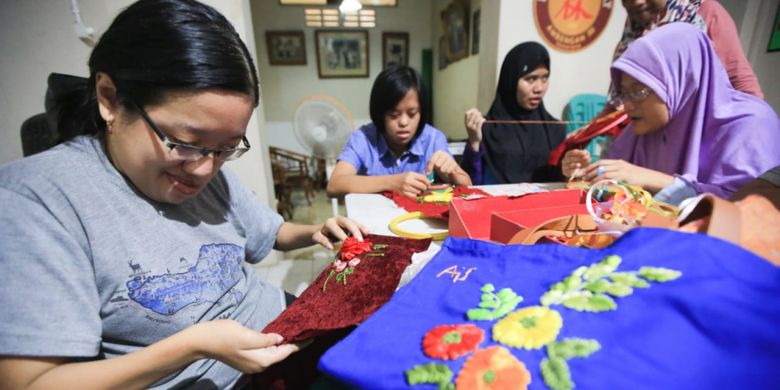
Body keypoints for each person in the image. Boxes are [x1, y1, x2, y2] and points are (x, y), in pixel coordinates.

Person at [0, 1, 366, 388]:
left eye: (227, 146)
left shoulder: (210, 172)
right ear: (109, 98)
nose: (205, 169)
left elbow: (270, 234)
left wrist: (315, 232)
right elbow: (31, 383)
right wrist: (193, 345)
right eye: (185, 142)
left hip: (282, 330)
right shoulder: (36, 200)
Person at [561, 23, 780, 205]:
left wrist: (654, 179)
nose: (627, 106)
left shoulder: (751, 125)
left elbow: (752, 210)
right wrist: (588, 175)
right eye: (623, 93)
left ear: (682, 80)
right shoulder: (643, 129)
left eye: (639, 91)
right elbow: (615, 187)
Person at [327, 64, 471, 198]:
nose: (403, 122)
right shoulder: (363, 139)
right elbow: (334, 186)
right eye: (394, 115)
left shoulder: (433, 138)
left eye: (412, 113)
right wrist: (392, 183)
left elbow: (468, 188)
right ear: (380, 113)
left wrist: (453, 173)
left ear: (422, 112)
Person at [460, 42, 566, 185]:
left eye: (544, 78)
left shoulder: (554, 130)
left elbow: (561, 183)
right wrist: (474, 143)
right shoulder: (487, 129)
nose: (539, 88)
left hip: (543, 206)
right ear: (510, 81)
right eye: (531, 79)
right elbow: (469, 184)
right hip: (496, 205)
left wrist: (572, 168)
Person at [614, 0, 763, 99]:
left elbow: (742, 83)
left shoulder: (704, 12)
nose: (637, 2)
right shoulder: (634, 27)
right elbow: (620, 98)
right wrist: (593, 129)